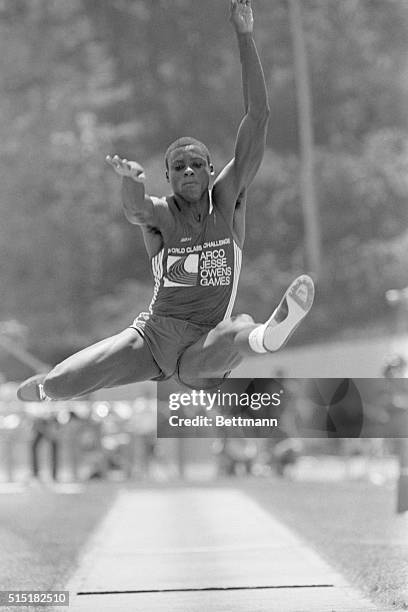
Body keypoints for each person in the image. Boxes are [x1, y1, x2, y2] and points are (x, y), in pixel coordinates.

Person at [17, 0, 314, 403]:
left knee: (238, 328)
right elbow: (134, 211)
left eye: (196, 164)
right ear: (169, 177)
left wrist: (245, 37)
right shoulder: (161, 213)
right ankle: (47, 388)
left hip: (204, 345)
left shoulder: (229, 201)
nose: (189, 171)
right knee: (56, 385)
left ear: (212, 170)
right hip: (152, 340)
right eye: (179, 167)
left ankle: (269, 334)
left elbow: (258, 115)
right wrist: (131, 183)